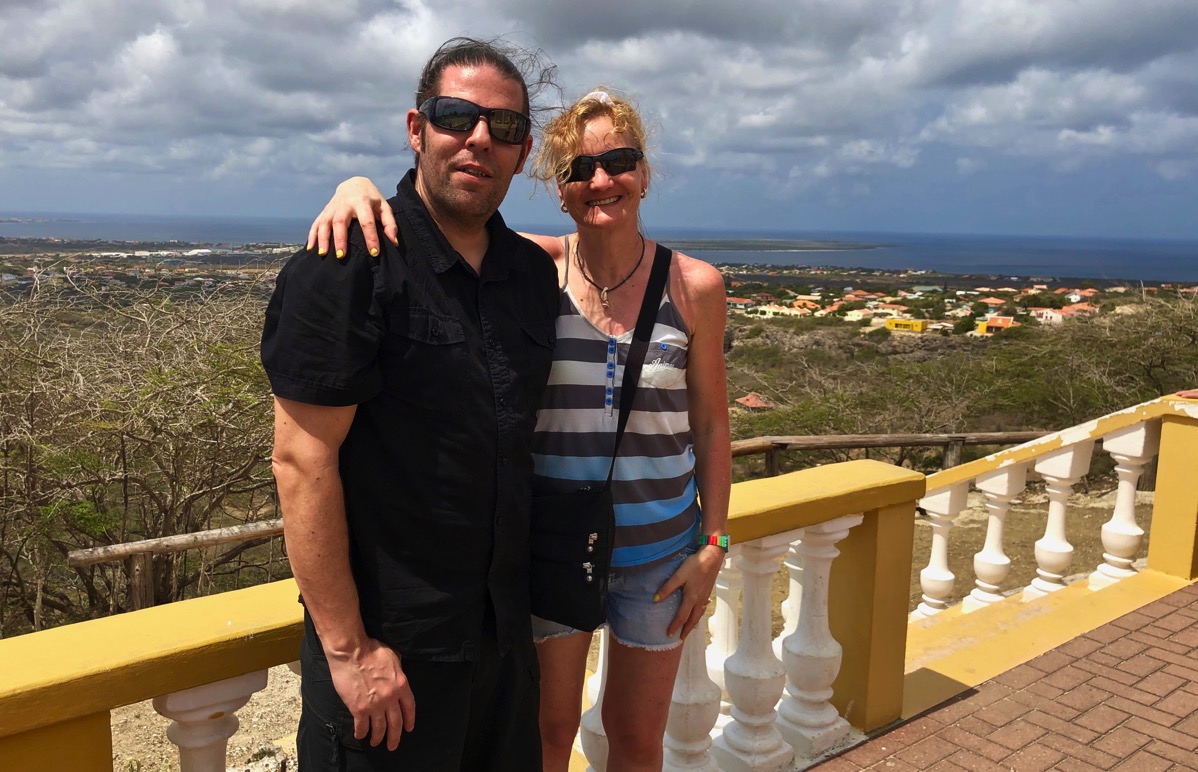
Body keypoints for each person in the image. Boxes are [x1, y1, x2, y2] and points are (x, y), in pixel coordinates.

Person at [309, 88, 732, 772]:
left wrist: (713, 543)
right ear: (556, 190)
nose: (601, 181)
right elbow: (432, 229)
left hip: (662, 554)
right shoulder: (534, 270)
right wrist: (354, 188)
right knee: (547, 732)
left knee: (636, 738)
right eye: (579, 170)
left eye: (619, 161)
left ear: (644, 174)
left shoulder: (694, 286)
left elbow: (712, 426)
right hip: (554, 542)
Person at [261, 37, 559, 770]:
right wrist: (350, 650)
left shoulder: (528, 273)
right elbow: (301, 460)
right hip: (391, 659)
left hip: (502, 647)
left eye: (507, 127)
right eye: (456, 115)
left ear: (524, 153)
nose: (480, 139)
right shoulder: (350, 264)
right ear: (416, 127)